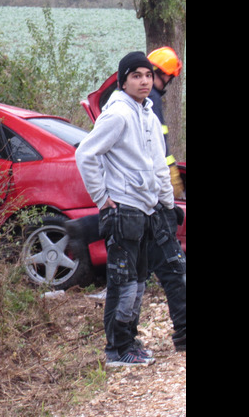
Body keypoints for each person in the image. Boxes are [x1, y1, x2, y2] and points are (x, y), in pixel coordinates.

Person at [74, 51, 176, 367]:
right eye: (136, 76)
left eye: (147, 75)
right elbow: (86, 155)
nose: (144, 81)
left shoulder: (146, 113)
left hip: (147, 211)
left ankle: (130, 340)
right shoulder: (118, 114)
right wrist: (103, 199)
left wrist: (168, 204)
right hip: (124, 211)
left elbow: (159, 163)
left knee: (140, 280)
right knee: (123, 282)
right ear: (124, 81)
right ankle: (116, 349)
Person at [143, 47, 187, 352]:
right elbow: (161, 151)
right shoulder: (152, 102)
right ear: (167, 76)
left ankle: (121, 341)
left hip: (145, 195)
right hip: (155, 194)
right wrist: (171, 188)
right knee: (172, 267)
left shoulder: (140, 102)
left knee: (136, 270)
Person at [146, 47, 184, 199]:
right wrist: (169, 169)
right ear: (164, 74)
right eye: (170, 77)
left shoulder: (139, 93)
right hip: (157, 167)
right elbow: (158, 139)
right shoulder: (152, 97)